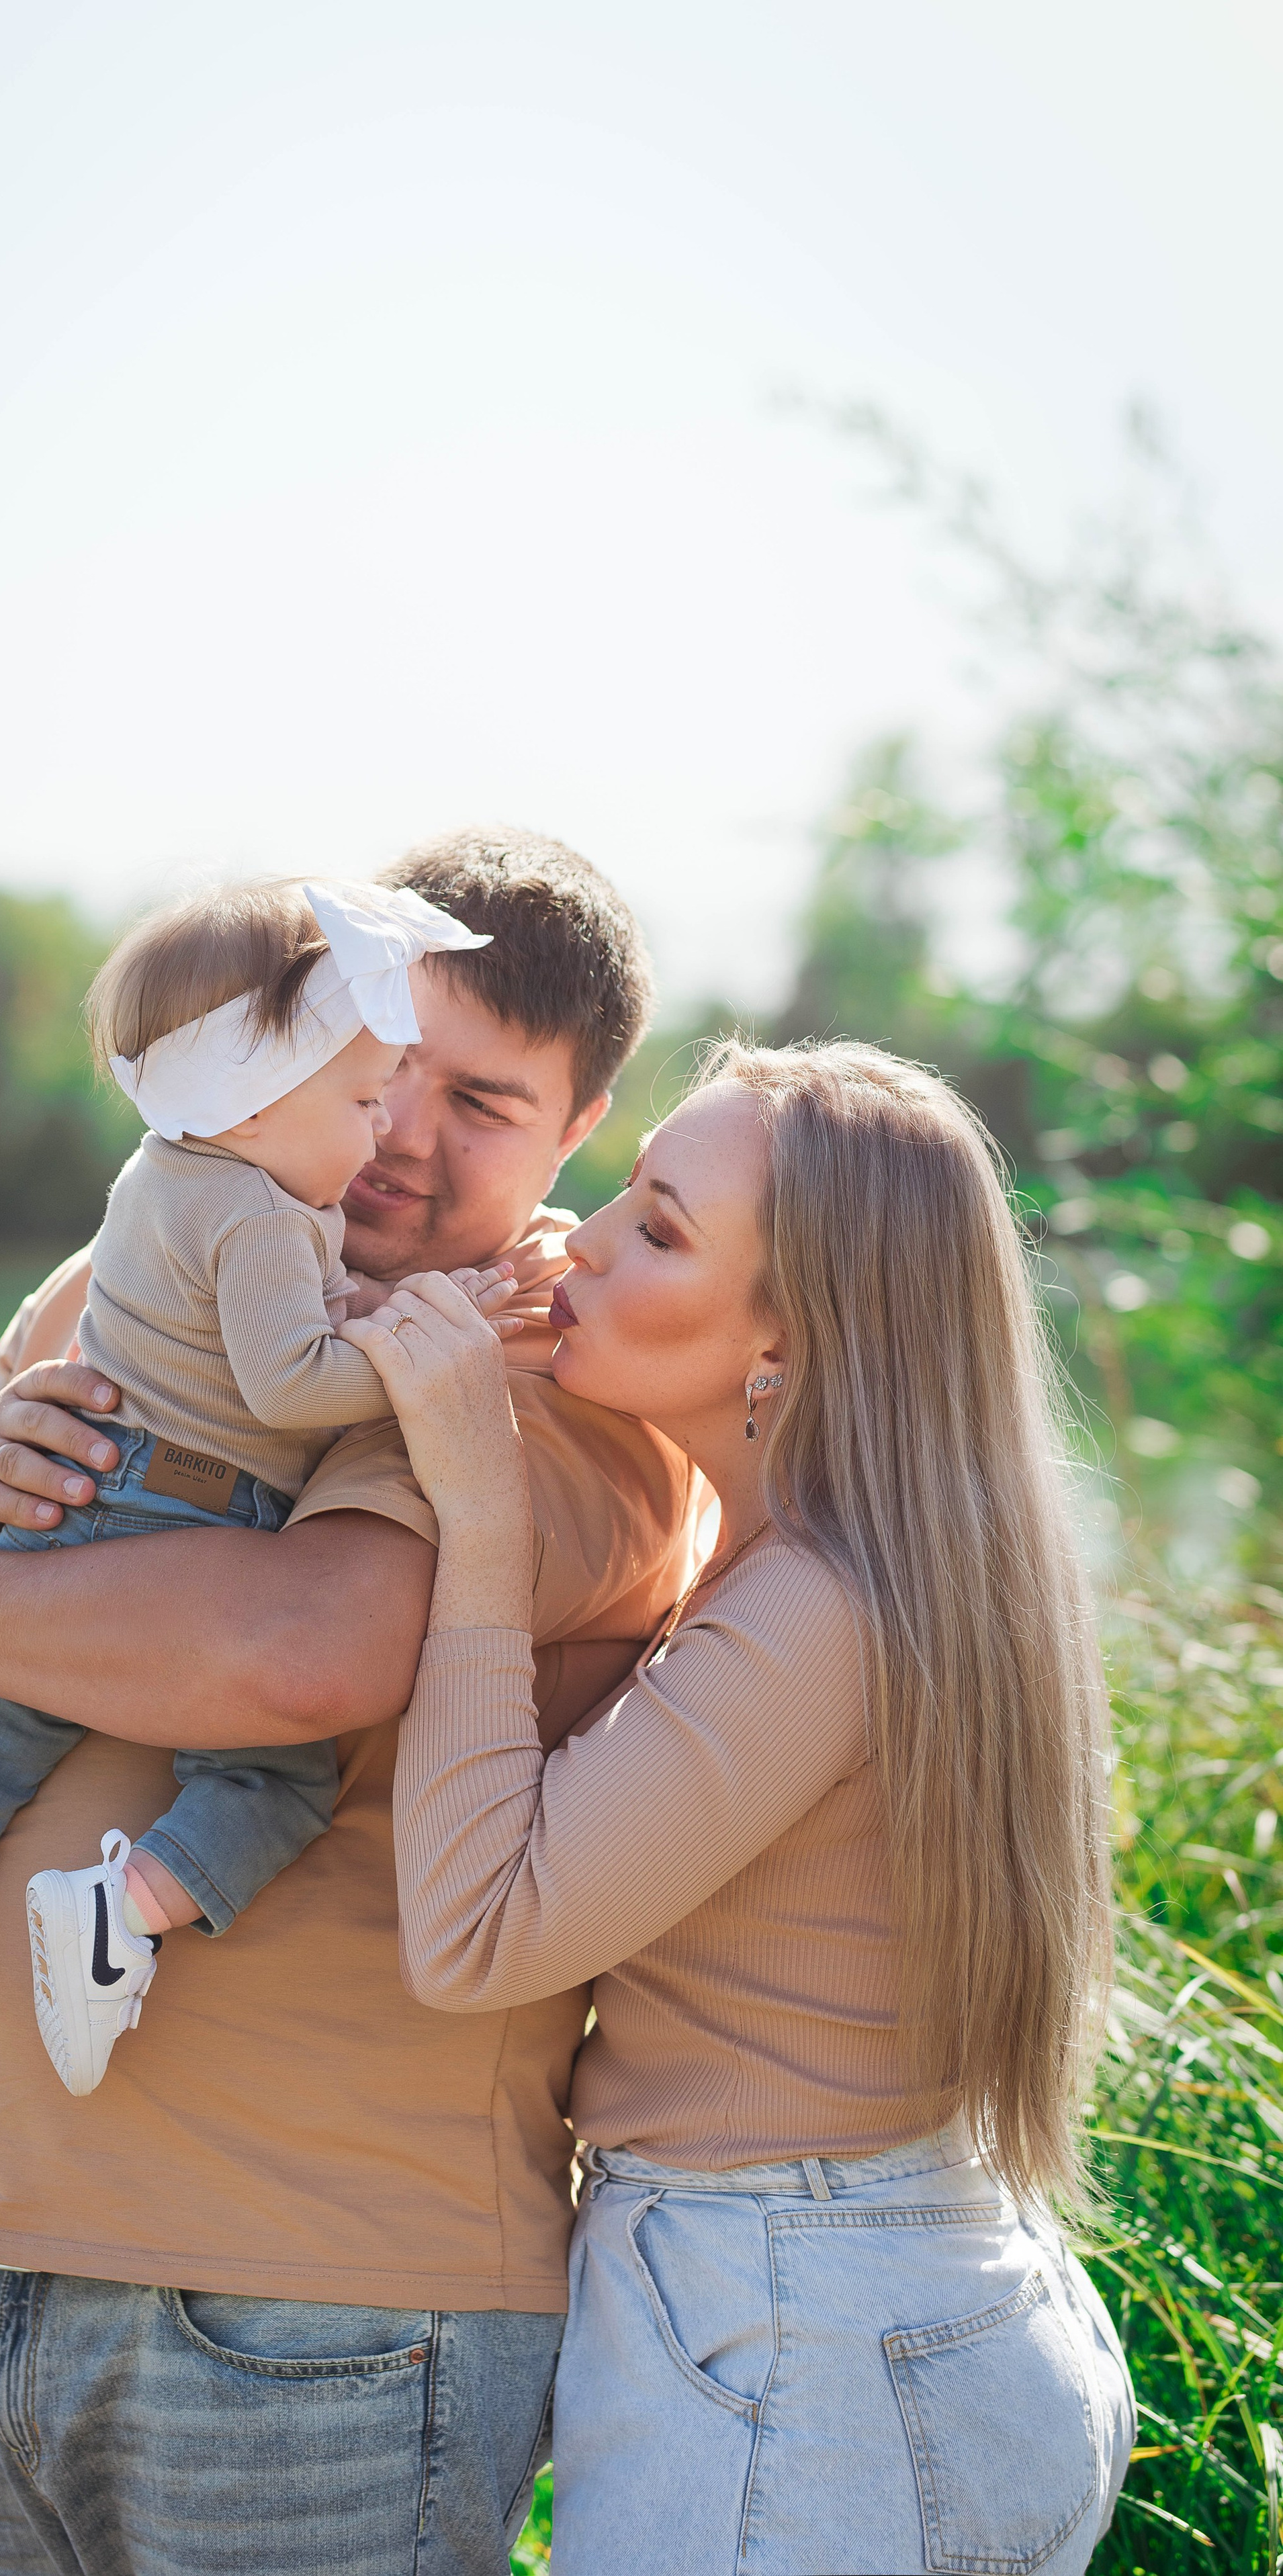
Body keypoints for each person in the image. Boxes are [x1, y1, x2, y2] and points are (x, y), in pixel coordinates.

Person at [0, 828, 697, 2576]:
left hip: (319, 2302)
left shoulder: (525, 1356)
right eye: (378, 1066)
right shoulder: (151, 1265)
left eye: (483, 1102)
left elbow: (299, 1652)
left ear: (583, 1124)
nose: (398, 1133)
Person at [348, 1038, 1135, 2576]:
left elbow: (471, 1930)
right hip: (906, 2307)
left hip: (807, 2348)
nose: (578, 1240)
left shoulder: (810, 1612)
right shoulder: (889, 1565)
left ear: (785, 1340)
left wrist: (477, 1503)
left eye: (657, 1227)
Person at [0, 877, 511, 2100]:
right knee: (276, 1774)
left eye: (476, 1103)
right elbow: (290, 1387)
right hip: (199, 1499)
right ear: (260, 1099)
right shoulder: (263, 1219)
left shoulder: (155, 1183)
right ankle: (122, 1909)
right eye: (368, 1099)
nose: (385, 1138)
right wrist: (423, 1348)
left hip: (86, 1507)